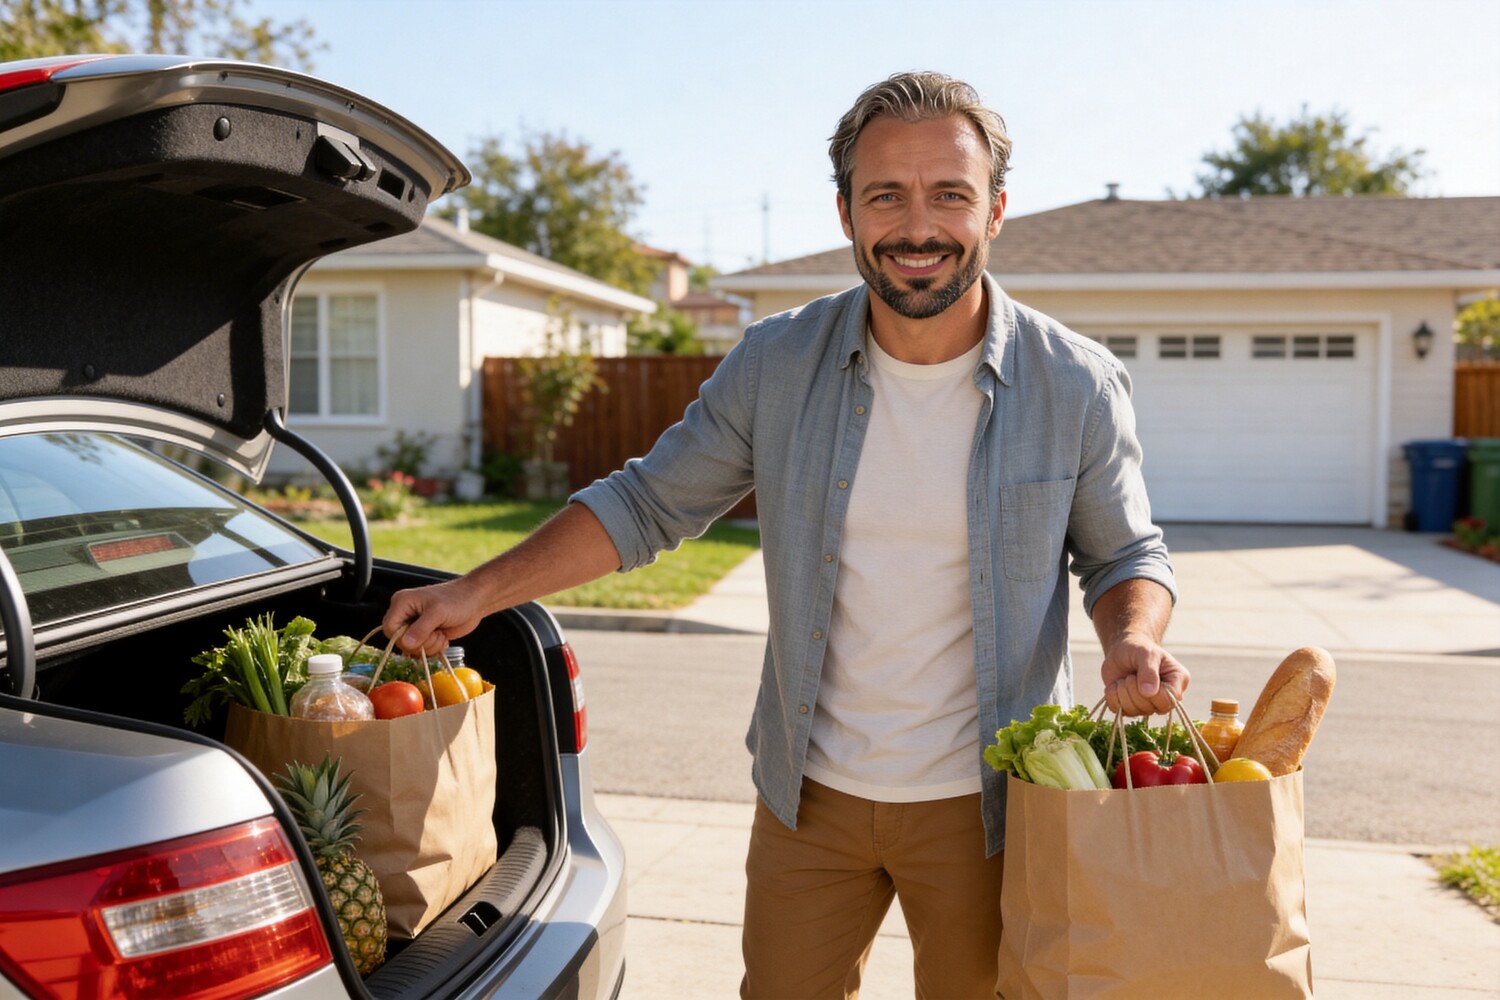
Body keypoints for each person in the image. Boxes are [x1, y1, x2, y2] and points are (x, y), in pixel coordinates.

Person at [384, 71, 1186, 1000]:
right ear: (846, 211)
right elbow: (649, 505)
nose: (918, 226)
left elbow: (1125, 554)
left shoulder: (1075, 384)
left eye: (950, 195)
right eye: (886, 194)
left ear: (996, 211)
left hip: (997, 808)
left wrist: (1133, 635)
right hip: (811, 798)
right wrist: (472, 593)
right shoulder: (777, 363)